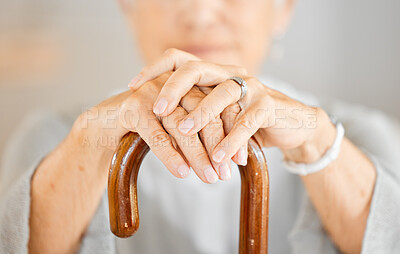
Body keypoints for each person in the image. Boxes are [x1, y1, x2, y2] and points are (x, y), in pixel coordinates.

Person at [1, 0, 399, 253]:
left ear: (284, 9)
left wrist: (318, 142)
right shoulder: (49, 139)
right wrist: (90, 140)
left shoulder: (363, 137)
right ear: (128, 6)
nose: (203, 12)